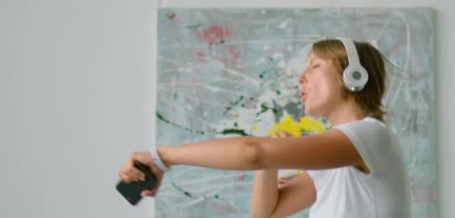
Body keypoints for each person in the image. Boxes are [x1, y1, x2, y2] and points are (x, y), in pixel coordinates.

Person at [118, 38, 411, 218]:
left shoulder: (371, 135)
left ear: (353, 75)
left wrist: (161, 157)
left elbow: (252, 152)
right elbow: (266, 213)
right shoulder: (342, 157)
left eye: (314, 65)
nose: (301, 77)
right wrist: (271, 163)